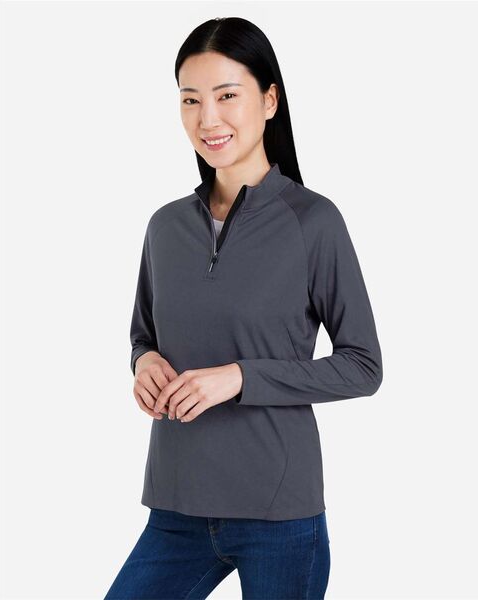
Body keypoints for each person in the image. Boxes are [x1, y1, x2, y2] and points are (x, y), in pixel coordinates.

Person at [104, 16, 383, 600]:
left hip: (279, 513)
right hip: (175, 506)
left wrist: (239, 378)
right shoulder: (164, 227)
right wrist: (144, 363)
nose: (208, 119)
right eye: (191, 100)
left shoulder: (313, 222)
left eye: (227, 95)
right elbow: (142, 335)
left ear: (269, 100)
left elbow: (362, 366)